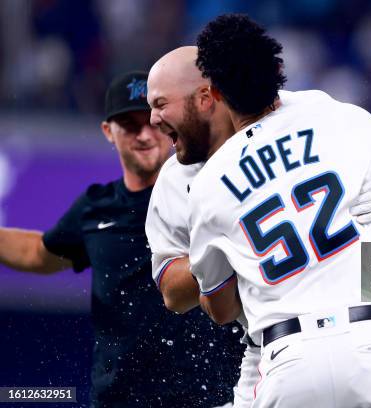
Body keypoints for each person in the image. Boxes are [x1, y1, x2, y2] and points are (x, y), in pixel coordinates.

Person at [185, 14, 371, 407]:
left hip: (288, 360)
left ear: (215, 94)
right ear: (279, 69)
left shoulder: (207, 183)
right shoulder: (338, 116)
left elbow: (221, 309)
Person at [145, 46, 371, 408]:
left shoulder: (304, 114)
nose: (152, 120)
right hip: (268, 343)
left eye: (160, 103)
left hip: (337, 328)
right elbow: (172, 291)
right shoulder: (175, 179)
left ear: (206, 97)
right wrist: (225, 251)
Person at [0, 71, 244, 408]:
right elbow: (37, 253)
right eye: (129, 125)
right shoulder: (97, 207)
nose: (144, 134)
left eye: (151, 122)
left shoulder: (210, 189)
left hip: (214, 396)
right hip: (122, 399)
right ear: (108, 132)